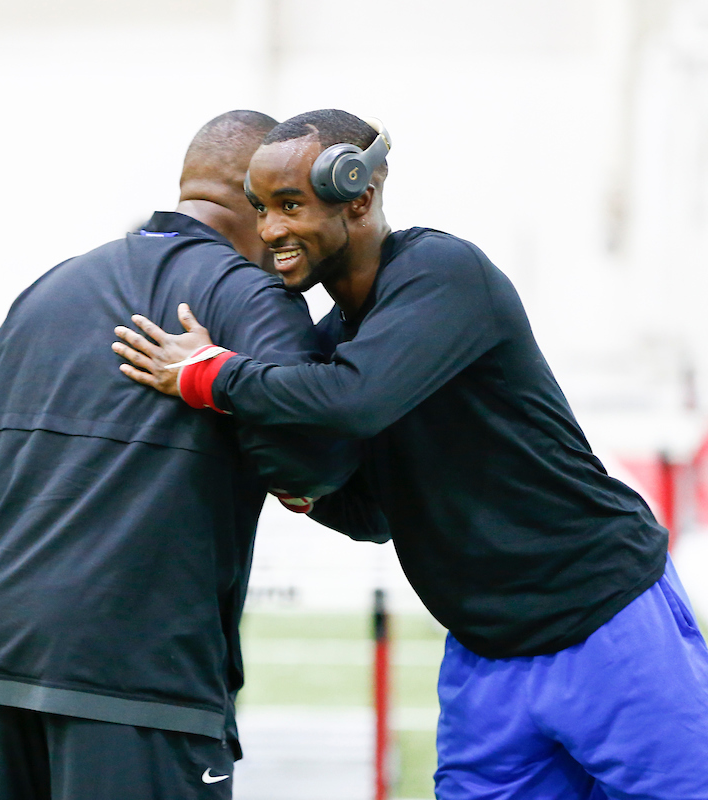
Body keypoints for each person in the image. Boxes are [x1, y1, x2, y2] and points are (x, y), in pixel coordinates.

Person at [113, 108, 708, 799]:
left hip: (607, 625)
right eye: (261, 209)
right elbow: (376, 515)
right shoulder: (337, 338)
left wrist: (210, 374)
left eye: (290, 205)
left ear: (360, 195)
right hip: (484, 653)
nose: (270, 231)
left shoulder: (443, 273)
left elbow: (353, 402)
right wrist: (310, 489)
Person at [0, 110, 367, 800]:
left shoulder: (48, 287)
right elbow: (317, 460)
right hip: (141, 685)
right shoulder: (251, 297)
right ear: (259, 198)